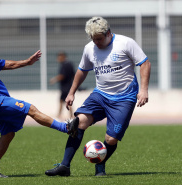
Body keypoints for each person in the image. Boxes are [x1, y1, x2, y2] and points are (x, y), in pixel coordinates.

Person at [0, 19, 79, 178]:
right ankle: (66, 128)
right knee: (30, 108)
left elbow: (6, 64)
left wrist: (27, 62)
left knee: (8, 134)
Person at [45, 16, 151, 176]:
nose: (97, 43)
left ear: (108, 32)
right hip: (100, 95)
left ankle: (100, 166)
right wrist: (71, 92)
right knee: (77, 123)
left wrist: (143, 89)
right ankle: (64, 166)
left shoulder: (125, 43)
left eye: (99, 39)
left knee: (111, 140)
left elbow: (145, 63)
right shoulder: (89, 48)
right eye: (94, 40)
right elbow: (82, 70)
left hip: (124, 98)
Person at [49, 51, 75, 119]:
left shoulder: (64, 65)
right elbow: (73, 75)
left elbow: (62, 76)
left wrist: (54, 80)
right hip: (69, 86)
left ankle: (70, 115)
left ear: (63, 56)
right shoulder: (70, 64)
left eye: (59, 57)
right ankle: (60, 114)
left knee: (66, 101)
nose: (58, 59)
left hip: (65, 87)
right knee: (62, 100)